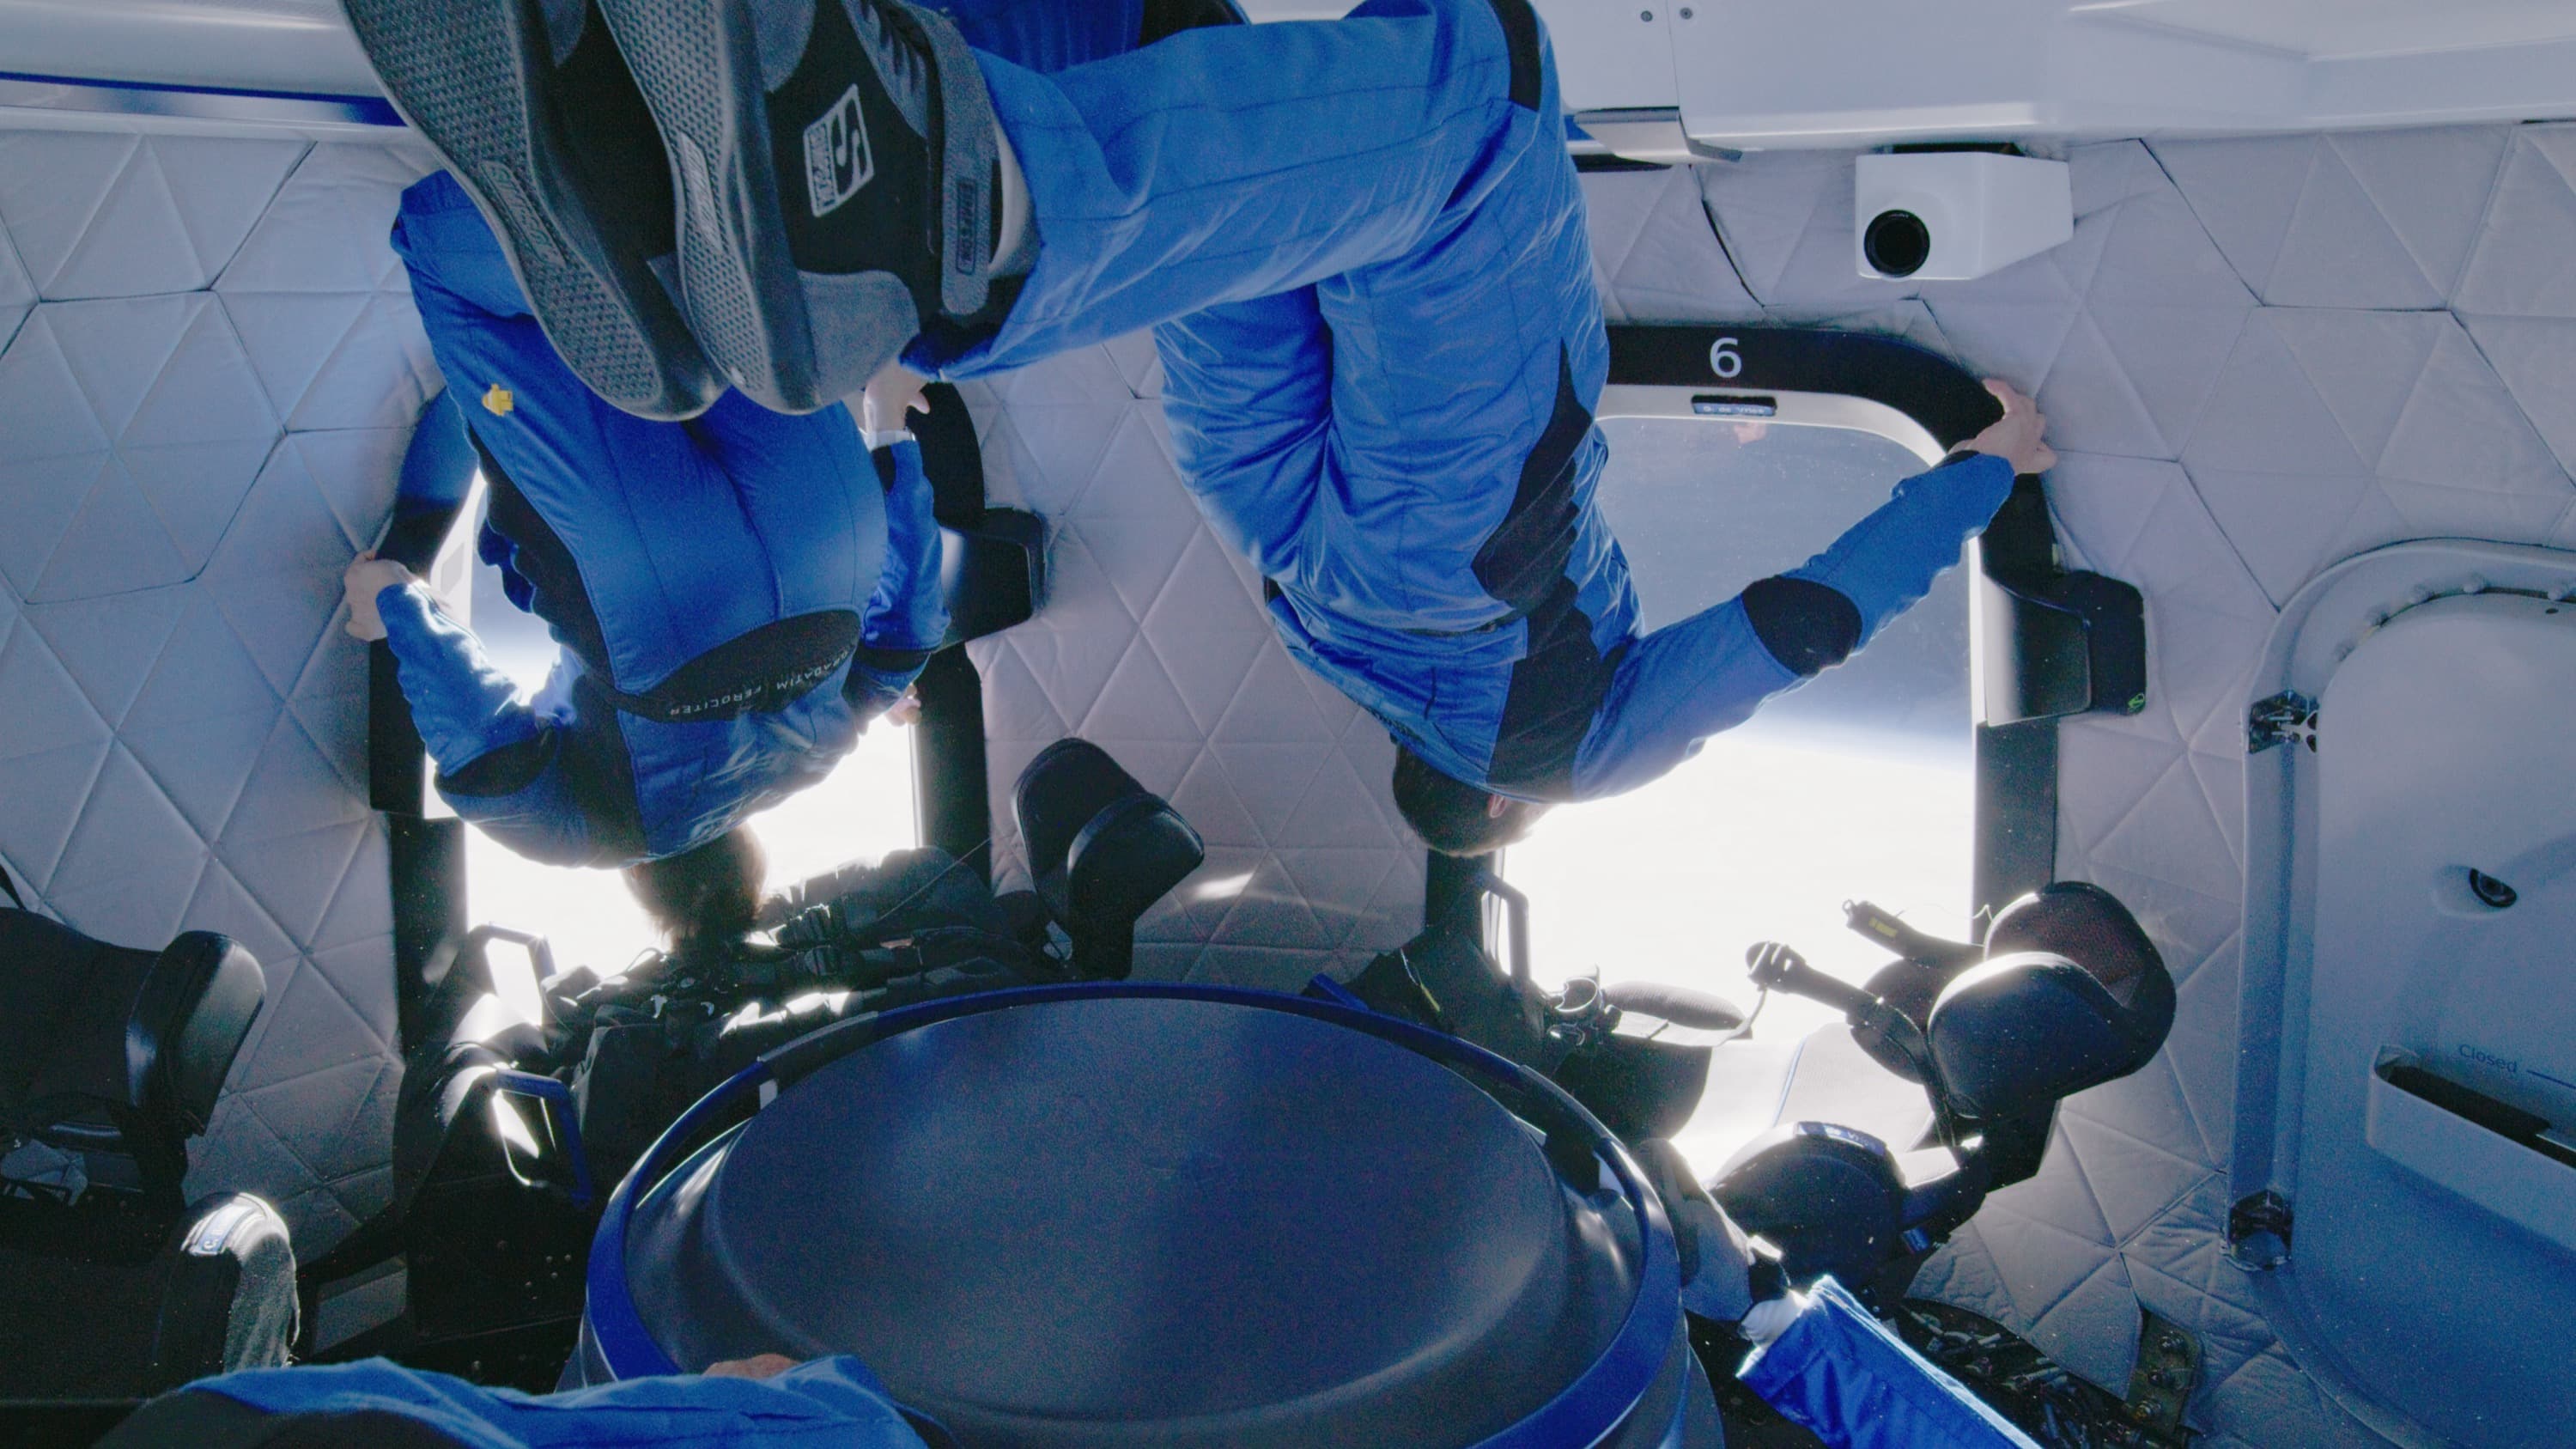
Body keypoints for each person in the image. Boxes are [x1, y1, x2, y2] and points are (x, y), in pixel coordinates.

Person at [343, 0, 2053, 859]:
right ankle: (861, 112)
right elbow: (893, 645)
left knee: (1471, 126)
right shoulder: (1405, 714)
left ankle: (925, 197)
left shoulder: (1558, 757)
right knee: (1212, 99)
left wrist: (1982, 473)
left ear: (1498, 804)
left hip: (1429, 540)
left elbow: (1798, 626)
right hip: (1276, 530)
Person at [343, 171, 949, 874]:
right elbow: (487, 759)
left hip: (829, 544)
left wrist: (890, 423)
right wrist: (394, 602)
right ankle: (552, 182)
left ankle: (676, 158)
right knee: (444, 256)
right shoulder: (606, 836)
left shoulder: (820, 759)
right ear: (658, 905)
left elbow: (912, 636)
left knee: (713, 293)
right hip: (654, 591)